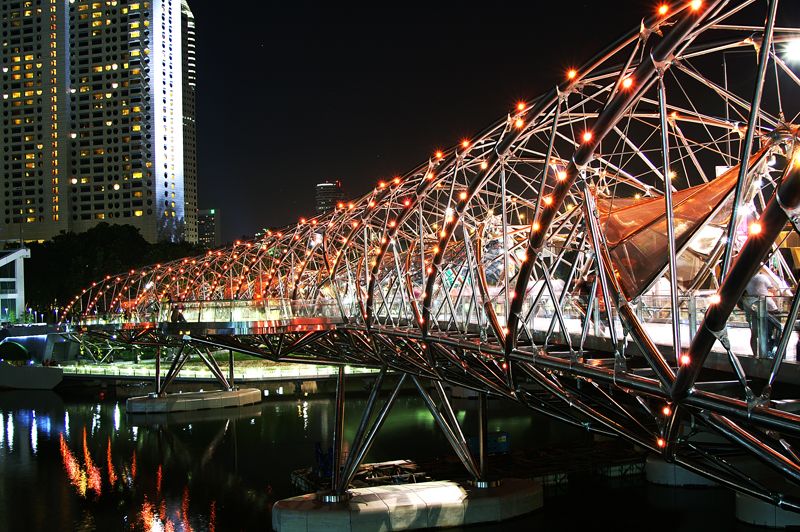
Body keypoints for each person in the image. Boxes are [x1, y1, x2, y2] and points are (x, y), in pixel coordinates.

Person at [741, 266, 785, 358]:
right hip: (767, 306)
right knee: (770, 330)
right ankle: (768, 352)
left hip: (752, 307)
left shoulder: (745, 279)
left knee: (754, 334)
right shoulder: (762, 277)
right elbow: (772, 288)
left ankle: (755, 354)